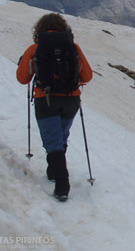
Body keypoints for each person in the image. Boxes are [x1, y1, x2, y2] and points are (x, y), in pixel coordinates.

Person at [16, 13, 93, 201]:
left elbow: (22, 78)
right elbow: (87, 76)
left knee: (52, 141)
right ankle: (53, 171)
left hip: (46, 99)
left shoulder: (35, 48)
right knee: (60, 136)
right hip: (71, 100)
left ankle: (62, 185)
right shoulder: (73, 47)